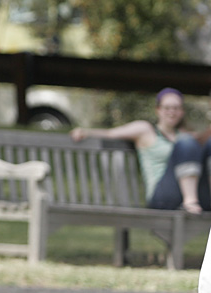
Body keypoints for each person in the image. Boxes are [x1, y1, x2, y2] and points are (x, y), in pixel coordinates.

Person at [70, 88, 211, 214]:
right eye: (167, 108)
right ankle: (190, 201)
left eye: (176, 108)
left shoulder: (187, 136)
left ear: (182, 112)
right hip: (164, 198)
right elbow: (111, 133)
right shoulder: (145, 130)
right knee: (186, 143)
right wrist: (85, 131)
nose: (172, 112)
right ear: (158, 110)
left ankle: (192, 202)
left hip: (200, 199)